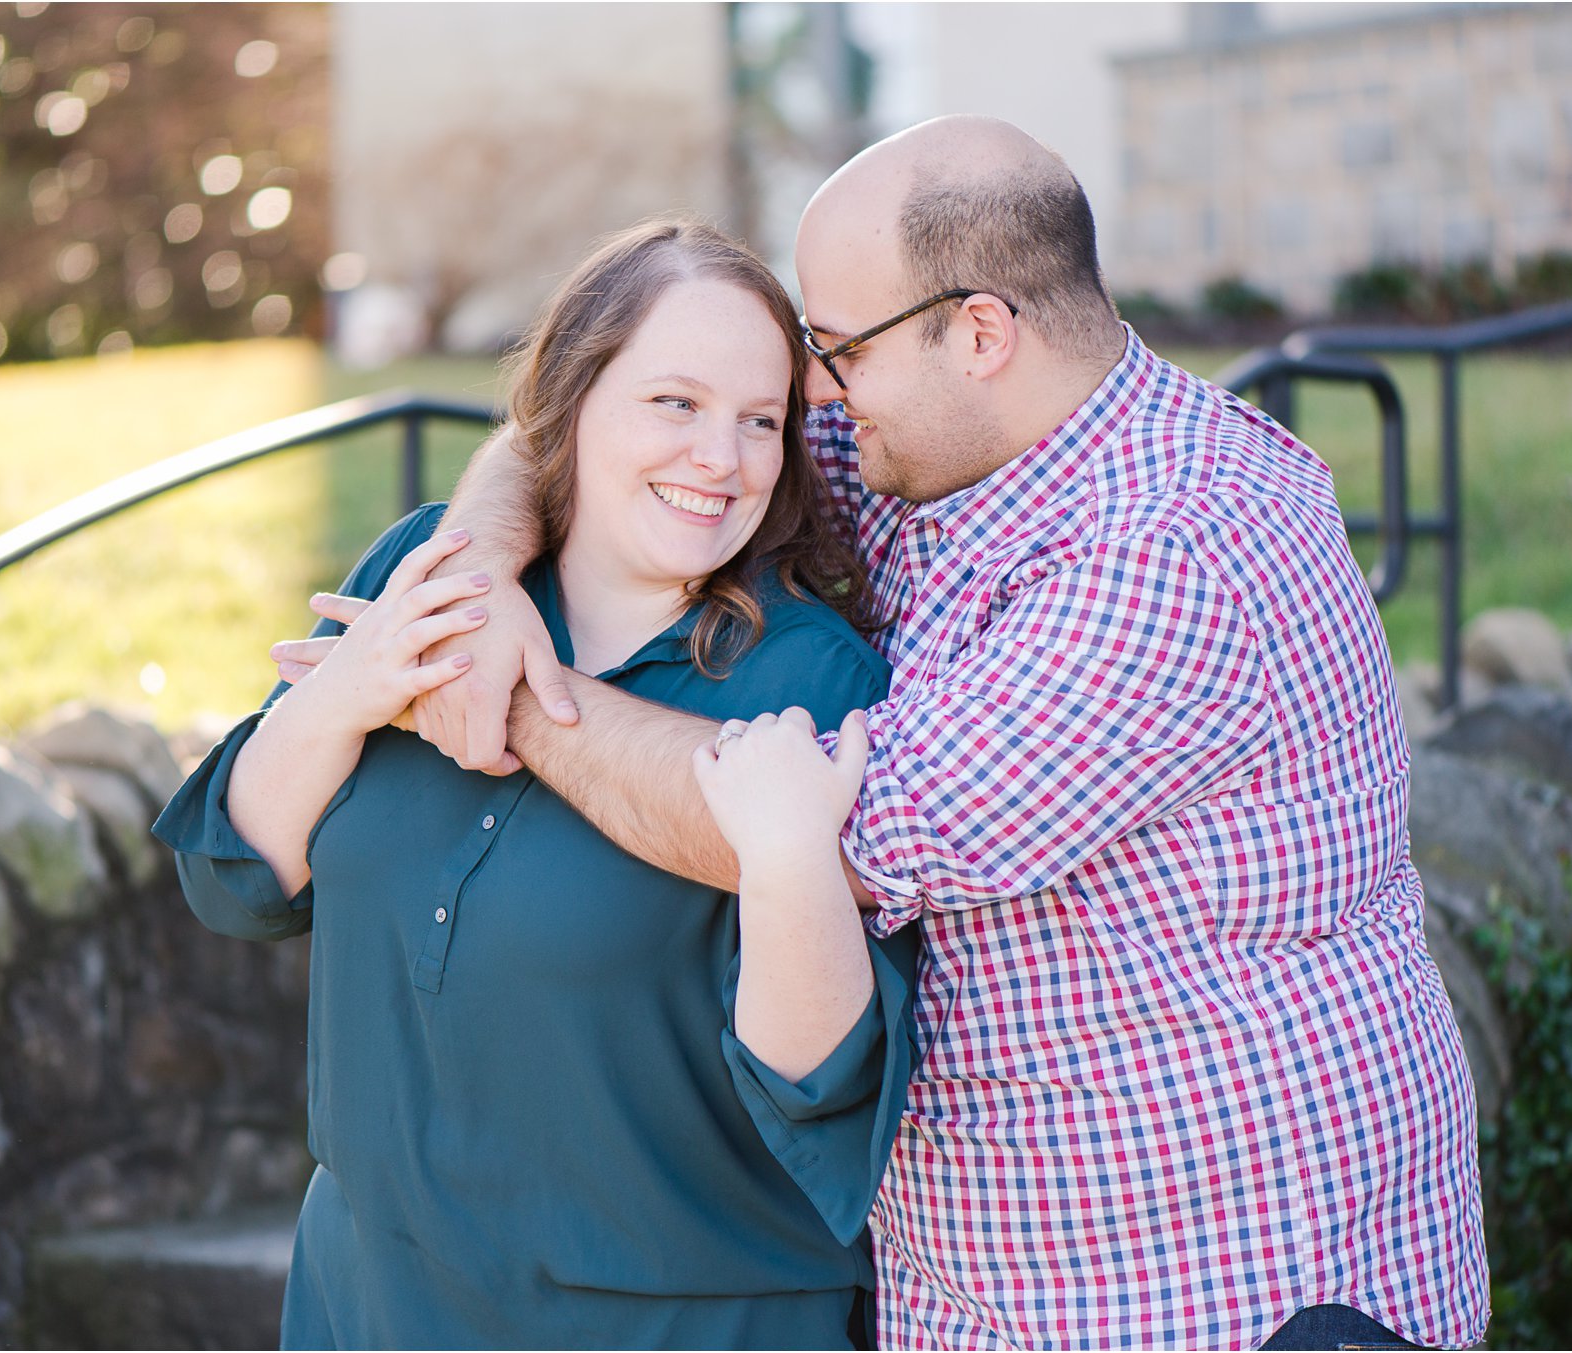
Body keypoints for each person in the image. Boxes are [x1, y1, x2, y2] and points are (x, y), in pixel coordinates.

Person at [318, 116, 1492, 1349]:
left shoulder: (1181, 544)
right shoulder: (936, 440)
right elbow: (585, 428)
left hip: (1219, 1284)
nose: (813, 390)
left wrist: (498, 685)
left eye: (835, 350)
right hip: (983, 1284)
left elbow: (807, 835)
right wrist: (487, 574)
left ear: (979, 333)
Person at [153, 217, 918, 1350]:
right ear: (571, 399)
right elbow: (232, 882)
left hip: (676, 1320)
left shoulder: (808, 680)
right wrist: (345, 693)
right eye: (676, 404)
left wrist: (788, 857)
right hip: (373, 1294)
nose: (723, 457)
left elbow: (821, 1083)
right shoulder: (432, 573)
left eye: (761, 421)